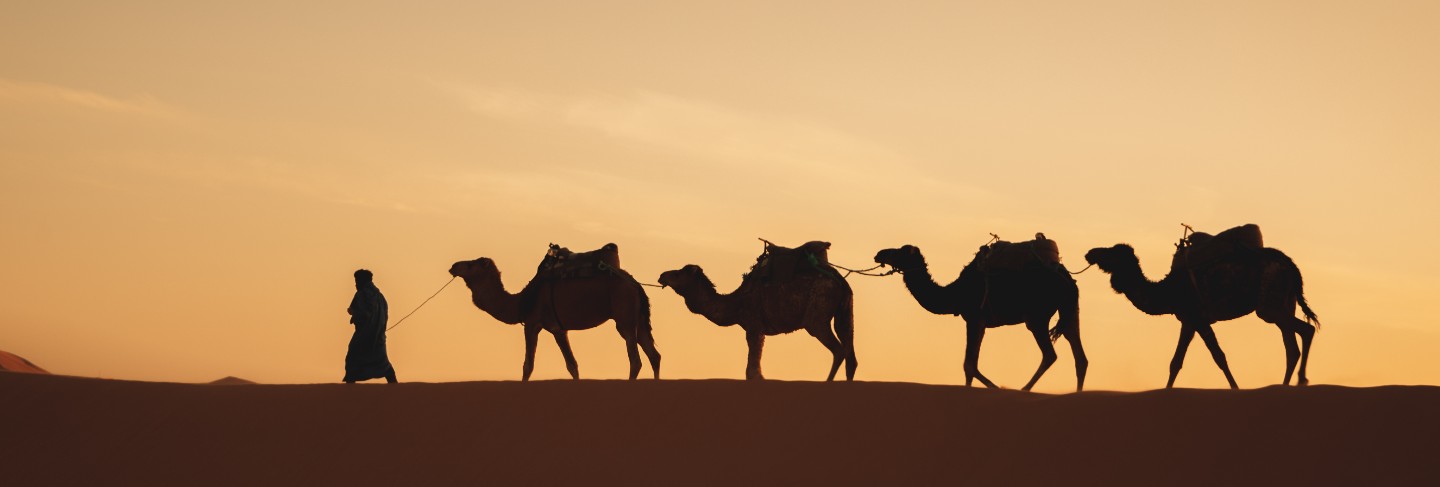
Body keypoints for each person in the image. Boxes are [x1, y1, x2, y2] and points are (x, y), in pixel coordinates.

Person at [344, 269, 397, 383]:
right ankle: (394, 385)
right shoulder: (380, 296)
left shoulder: (362, 294)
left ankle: (348, 392)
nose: (356, 284)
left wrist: (353, 313)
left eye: (357, 280)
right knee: (383, 364)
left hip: (364, 336)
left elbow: (363, 314)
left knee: (352, 359)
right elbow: (384, 315)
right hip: (378, 337)